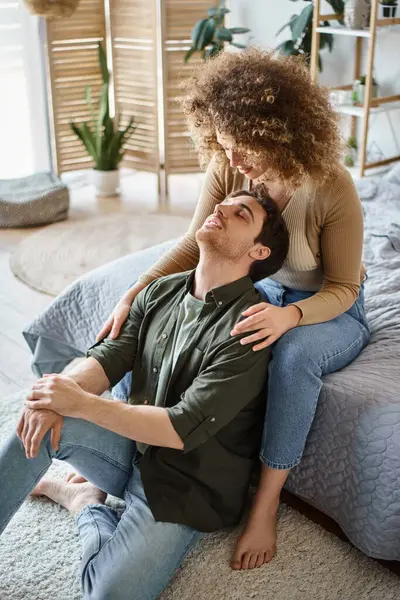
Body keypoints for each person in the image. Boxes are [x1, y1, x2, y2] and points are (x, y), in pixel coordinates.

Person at [97, 49, 371, 571]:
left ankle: (264, 504)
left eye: (246, 147)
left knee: (289, 357)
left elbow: (343, 287)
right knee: (177, 310)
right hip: (266, 291)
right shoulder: (229, 165)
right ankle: (130, 450)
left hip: (328, 308)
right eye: (225, 146)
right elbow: (191, 242)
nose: (236, 162)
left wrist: (291, 317)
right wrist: (138, 289)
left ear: (282, 131)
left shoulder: (333, 187)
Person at [0, 186, 289, 600]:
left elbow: (180, 429)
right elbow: (107, 359)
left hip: (186, 487)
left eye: (241, 214)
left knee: (109, 595)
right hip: (132, 449)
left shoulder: (248, 328)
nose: (221, 207)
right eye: (224, 201)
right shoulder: (160, 290)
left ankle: (83, 503)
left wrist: (81, 403)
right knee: (41, 411)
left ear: (258, 253)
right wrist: (58, 394)